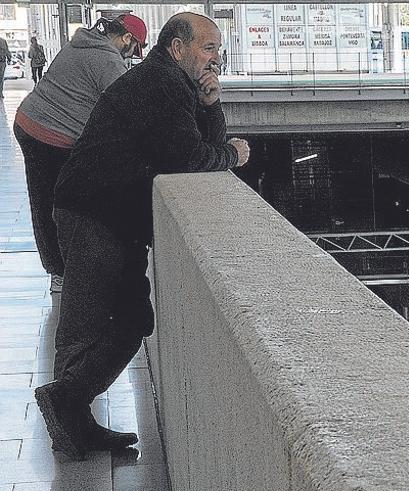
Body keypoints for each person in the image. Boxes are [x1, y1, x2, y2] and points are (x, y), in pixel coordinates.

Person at [35, 12, 250, 460]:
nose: (216, 58)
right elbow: (188, 158)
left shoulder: (174, 86)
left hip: (116, 218)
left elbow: (189, 146)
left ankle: (71, 408)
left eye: (217, 49)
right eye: (208, 48)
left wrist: (211, 106)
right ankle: (69, 415)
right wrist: (232, 153)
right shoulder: (161, 85)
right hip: (95, 213)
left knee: (132, 321)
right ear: (177, 48)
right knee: (86, 325)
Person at [14, 14, 147, 293]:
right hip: (49, 136)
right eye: (133, 49)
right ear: (126, 38)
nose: (131, 56)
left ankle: (60, 269)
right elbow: (128, 109)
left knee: (45, 201)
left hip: (29, 123)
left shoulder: (80, 44)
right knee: (59, 205)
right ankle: (62, 272)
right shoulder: (107, 60)